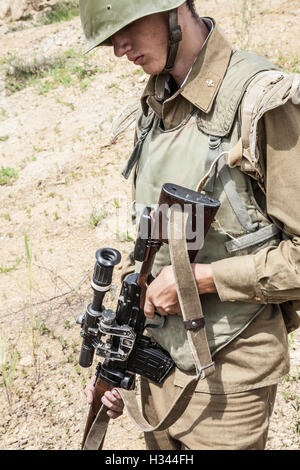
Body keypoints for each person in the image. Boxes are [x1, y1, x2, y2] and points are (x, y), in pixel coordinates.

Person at [80, 0, 300, 450]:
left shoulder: (260, 101)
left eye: (125, 27)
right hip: (156, 367)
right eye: (109, 39)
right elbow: (157, 240)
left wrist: (196, 281)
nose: (120, 49)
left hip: (227, 378)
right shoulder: (157, 101)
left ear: (174, 8)